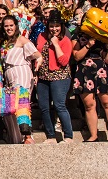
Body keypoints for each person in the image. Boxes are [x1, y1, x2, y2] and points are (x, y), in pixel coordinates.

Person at [0, 15, 41, 144]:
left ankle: (28, 136)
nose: (9, 28)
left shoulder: (22, 39)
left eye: (11, 25)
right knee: (11, 107)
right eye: (6, 26)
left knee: (22, 104)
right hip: (9, 74)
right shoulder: (4, 42)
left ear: (16, 26)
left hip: (21, 71)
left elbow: (37, 56)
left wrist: (36, 71)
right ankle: (17, 138)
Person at [72, 30, 108, 142]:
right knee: (89, 104)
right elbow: (76, 56)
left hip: (99, 68)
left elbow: (107, 60)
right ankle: (93, 135)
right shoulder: (77, 36)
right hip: (84, 69)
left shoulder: (101, 35)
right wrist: (88, 45)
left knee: (107, 102)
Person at [35, 9, 74, 143]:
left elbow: (63, 61)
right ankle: (50, 136)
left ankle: (68, 136)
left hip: (60, 76)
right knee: (44, 107)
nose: (54, 28)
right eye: (51, 25)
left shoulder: (66, 40)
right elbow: (37, 54)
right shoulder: (41, 36)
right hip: (43, 76)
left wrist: (56, 44)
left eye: (57, 26)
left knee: (59, 105)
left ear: (61, 26)